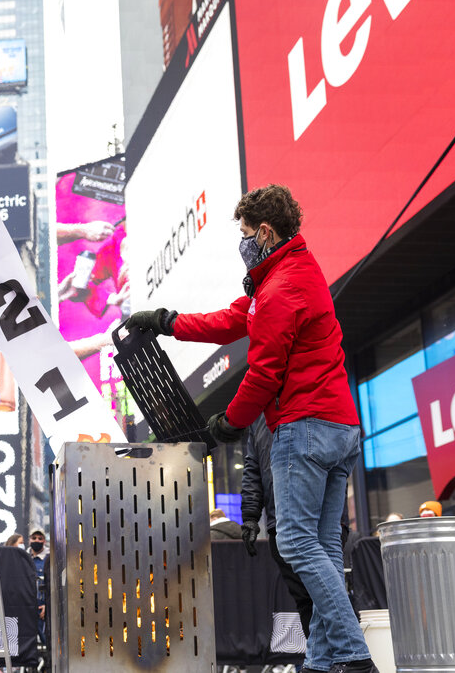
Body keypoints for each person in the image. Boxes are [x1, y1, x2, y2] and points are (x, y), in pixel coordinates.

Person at [125, 184, 377, 673]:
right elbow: (229, 320)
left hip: (304, 427)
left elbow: (263, 373)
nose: (241, 243)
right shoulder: (292, 273)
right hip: (338, 425)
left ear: (264, 232)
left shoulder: (280, 289)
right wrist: (168, 322)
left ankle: (354, 657)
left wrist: (229, 424)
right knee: (323, 546)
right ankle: (322, 663)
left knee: (296, 543)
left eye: (244, 233)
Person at [241, 413, 353, 640]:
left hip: (320, 521)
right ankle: (330, 656)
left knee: (325, 596)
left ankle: (347, 653)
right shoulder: (259, 419)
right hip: (280, 521)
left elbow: (335, 459)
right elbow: (253, 468)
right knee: (308, 600)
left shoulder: (309, 403)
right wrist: (250, 515)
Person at [28, 529, 47, 643]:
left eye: (40, 538)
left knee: (45, 639)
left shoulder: (49, 558)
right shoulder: (24, 557)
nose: (37, 540)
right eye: (34, 538)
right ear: (29, 540)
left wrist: (47, 604)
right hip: (26, 605)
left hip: (42, 607)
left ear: (44, 541)